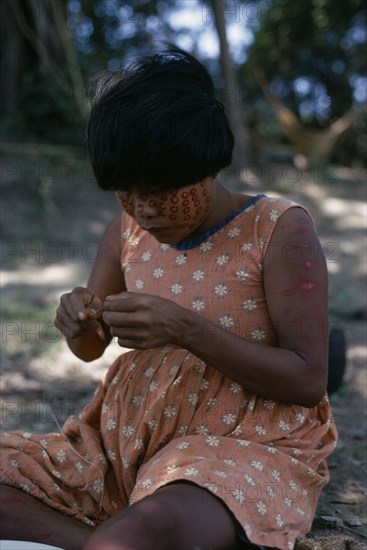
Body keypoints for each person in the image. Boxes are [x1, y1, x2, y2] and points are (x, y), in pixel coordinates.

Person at [0, 47, 337, 550]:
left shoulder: (278, 230)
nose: (143, 208)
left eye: (159, 191)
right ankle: (94, 539)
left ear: (208, 164)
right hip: (119, 451)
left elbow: (309, 379)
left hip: (242, 450)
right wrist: (78, 324)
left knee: (149, 527)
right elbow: (92, 348)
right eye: (125, 191)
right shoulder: (125, 233)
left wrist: (185, 329)